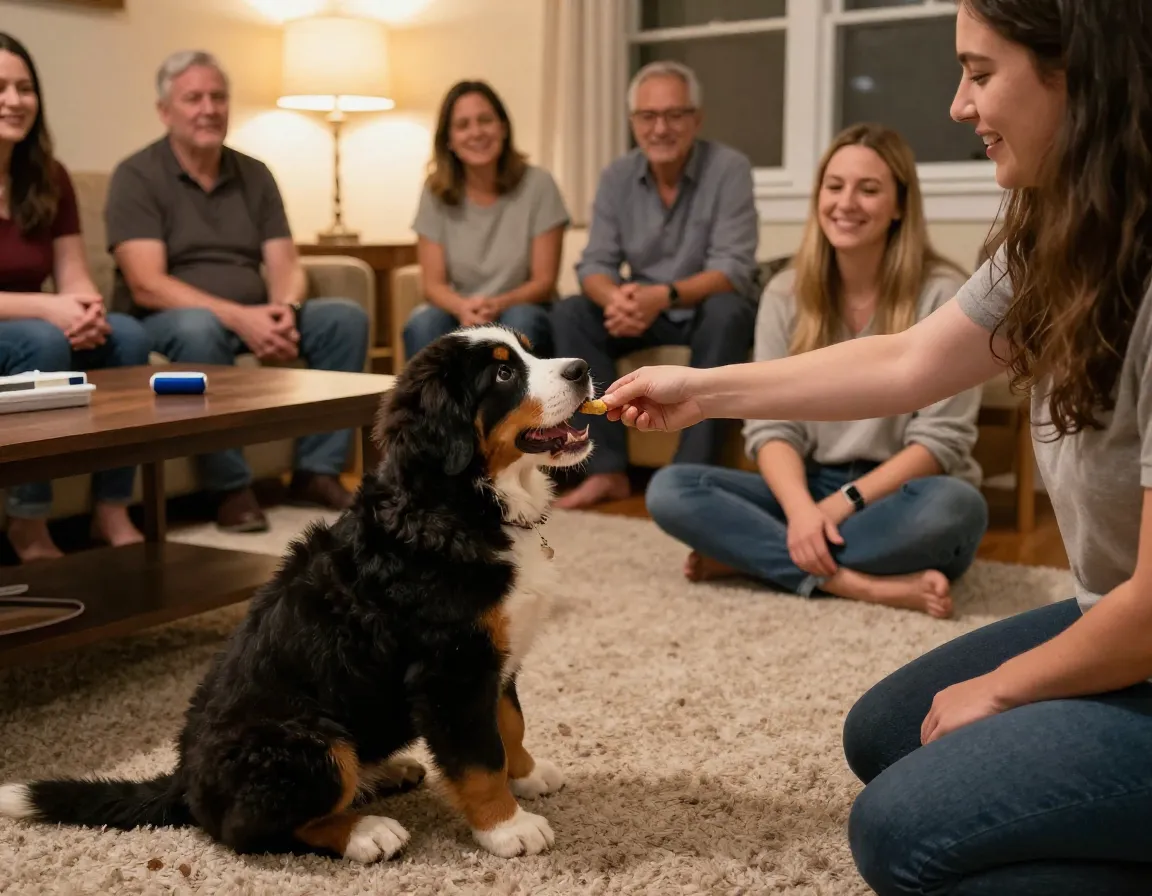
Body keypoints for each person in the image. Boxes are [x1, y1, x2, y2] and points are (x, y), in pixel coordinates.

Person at [603, 1, 1152, 891]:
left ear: (1081, 75)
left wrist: (1005, 686)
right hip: (1112, 616)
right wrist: (700, 390)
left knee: (899, 836)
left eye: (980, 73)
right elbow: (906, 362)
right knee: (885, 737)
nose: (958, 105)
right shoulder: (1056, 238)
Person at [646, 123, 987, 619]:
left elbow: (940, 443)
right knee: (671, 490)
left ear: (899, 205)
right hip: (807, 485)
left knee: (957, 509)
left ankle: (755, 558)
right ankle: (860, 584)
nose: (846, 203)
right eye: (834, 186)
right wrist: (803, 510)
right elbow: (769, 426)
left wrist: (839, 505)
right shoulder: (784, 292)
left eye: (868, 189)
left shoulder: (945, 294)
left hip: (900, 494)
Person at [106, 50, 369, 534]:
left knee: (343, 318)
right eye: (193, 98)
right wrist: (240, 317)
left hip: (251, 314)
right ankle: (229, 488)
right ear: (165, 111)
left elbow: (285, 263)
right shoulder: (137, 175)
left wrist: (283, 310)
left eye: (218, 97)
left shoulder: (255, 173)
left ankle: (317, 472)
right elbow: (147, 283)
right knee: (198, 328)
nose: (208, 109)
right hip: (170, 321)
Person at [551, 60, 761, 510]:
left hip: (701, 309)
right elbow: (595, 263)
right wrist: (617, 299)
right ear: (633, 122)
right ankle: (605, 470)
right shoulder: (616, 176)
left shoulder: (730, 168)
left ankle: (690, 478)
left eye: (674, 115)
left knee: (729, 310)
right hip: (640, 311)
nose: (660, 128)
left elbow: (733, 269)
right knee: (570, 312)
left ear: (696, 119)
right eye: (648, 116)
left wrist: (661, 297)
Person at [0, 32, 150, 563]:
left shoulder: (49, 176)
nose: (14, 101)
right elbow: (47, 307)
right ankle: (28, 521)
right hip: (26, 329)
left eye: (25, 88)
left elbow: (73, 272)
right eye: (0, 88)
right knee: (42, 342)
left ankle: (111, 507)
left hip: (35, 320)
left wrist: (87, 310)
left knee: (127, 335)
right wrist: (50, 309)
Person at [402, 80, 569, 360]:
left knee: (519, 321)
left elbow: (544, 281)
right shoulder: (435, 190)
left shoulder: (539, 184)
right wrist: (463, 308)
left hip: (522, 307)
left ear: (503, 127)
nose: (476, 132)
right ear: (449, 140)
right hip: (460, 311)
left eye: (485, 120)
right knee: (423, 323)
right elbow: (432, 284)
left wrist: (498, 304)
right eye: (463, 125)